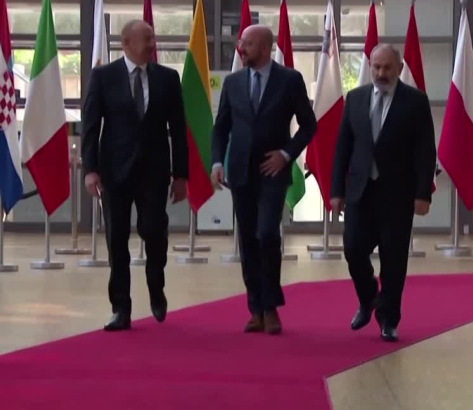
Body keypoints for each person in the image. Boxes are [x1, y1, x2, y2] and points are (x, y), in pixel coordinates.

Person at [81, 19, 189, 331]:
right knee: (116, 239)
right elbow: (91, 126)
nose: (153, 45)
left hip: (154, 173)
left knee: (154, 231)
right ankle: (120, 308)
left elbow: (178, 129)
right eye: (147, 39)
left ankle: (156, 286)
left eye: (153, 38)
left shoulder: (168, 78)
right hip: (114, 173)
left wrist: (181, 175)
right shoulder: (103, 77)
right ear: (126, 43)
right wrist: (90, 170)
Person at [211, 25, 317, 335]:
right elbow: (221, 128)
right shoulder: (232, 83)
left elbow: (309, 126)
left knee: (267, 233)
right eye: (240, 43)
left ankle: (271, 307)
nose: (241, 48)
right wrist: (217, 162)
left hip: (274, 170)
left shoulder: (290, 80)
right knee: (247, 239)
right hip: (240, 171)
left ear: (265, 47)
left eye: (247, 44)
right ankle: (256, 309)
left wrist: (286, 154)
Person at [330, 43, 436, 342]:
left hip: (397, 195)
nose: (381, 73)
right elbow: (343, 148)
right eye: (376, 67)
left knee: (394, 260)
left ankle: (389, 319)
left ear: (399, 69)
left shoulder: (415, 101)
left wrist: (423, 194)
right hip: (359, 193)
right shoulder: (355, 98)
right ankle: (368, 300)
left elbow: (425, 151)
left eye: (387, 67)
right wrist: (336, 190)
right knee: (353, 249)